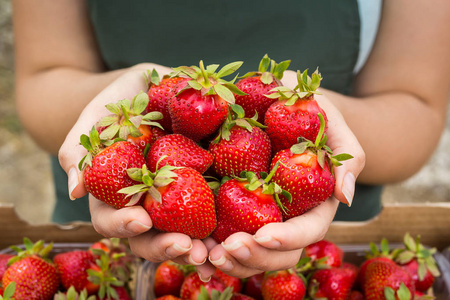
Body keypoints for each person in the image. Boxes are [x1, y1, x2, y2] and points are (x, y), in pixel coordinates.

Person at [12, 0, 450, 280]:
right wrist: (136, 92)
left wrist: (309, 115)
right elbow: (42, 78)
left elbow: (414, 107)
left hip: (329, 228)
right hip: (114, 213)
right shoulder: (159, 152)